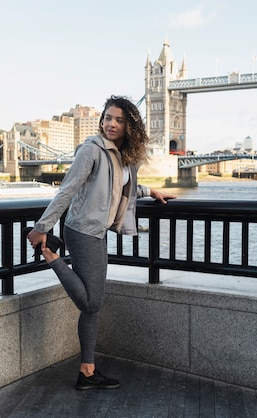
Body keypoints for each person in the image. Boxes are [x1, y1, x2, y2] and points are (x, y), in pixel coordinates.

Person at [27, 95, 176, 390]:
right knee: (92, 302)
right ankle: (53, 258)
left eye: (119, 120)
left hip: (97, 231)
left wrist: (150, 191)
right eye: (108, 117)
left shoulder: (122, 156)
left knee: (92, 307)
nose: (111, 124)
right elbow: (66, 191)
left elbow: (118, 185)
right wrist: (42, 227)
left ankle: (87, 371)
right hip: (82, 231)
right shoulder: (91, 150)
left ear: (129, 126)